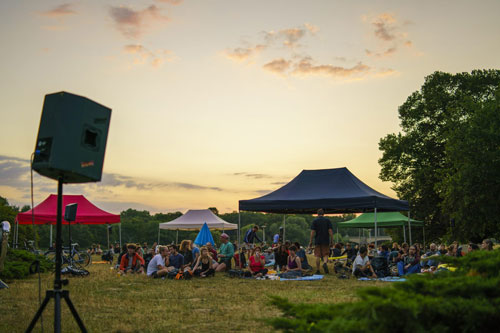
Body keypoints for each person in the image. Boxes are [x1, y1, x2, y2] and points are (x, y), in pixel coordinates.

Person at [309, 208, 333, 275]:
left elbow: (312, 232)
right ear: (323, 214)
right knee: (326, 254)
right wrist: (332, 240)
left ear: (317, 214)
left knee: (317, 255)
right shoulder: (327, 220)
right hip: (326, 240)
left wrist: (310, 241)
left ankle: (318, 270)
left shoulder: (315, 221)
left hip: (318, 240)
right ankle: (325, 263)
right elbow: (330, 231)